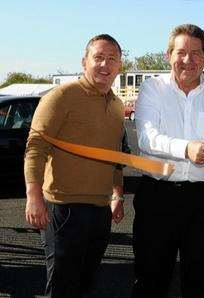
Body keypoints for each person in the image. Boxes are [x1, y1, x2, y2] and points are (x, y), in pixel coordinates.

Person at [132, 24, 204, 298]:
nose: (188, 60)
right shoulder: (151, 89)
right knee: (150, 280)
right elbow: (147, 138)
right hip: (158, 198)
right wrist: (186, 148)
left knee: (201, 282)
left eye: (195, 53)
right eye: (181, 52)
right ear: (168, 55)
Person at [24, 34, 125, 297]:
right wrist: (33, 196)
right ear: (84, 62)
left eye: (112, 59)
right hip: (63, 209)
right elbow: (35, 147)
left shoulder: (116, 105)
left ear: (120, 66)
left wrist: (117, 194)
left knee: (85, 285)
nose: (105, 64)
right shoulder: (61, 96)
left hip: (100, 211)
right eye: (98, 58)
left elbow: (115, 156)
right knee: (61, 288)